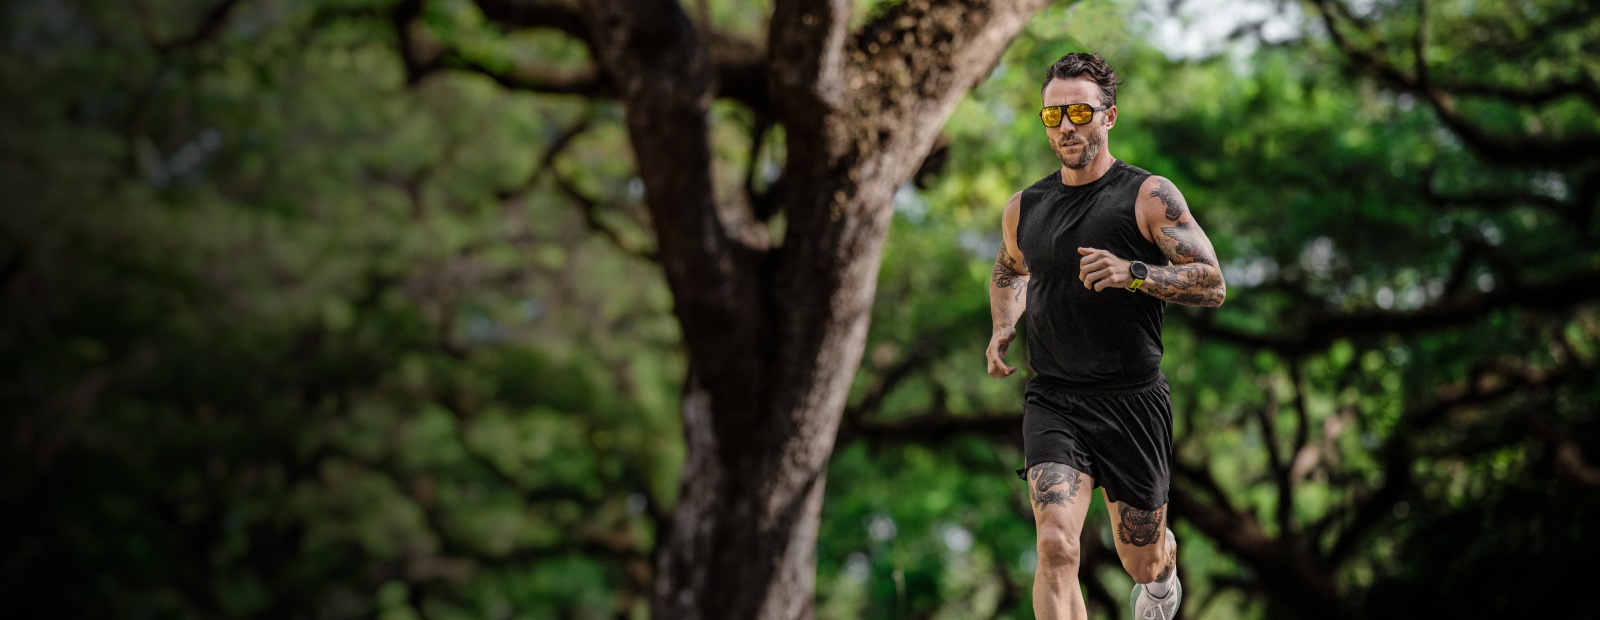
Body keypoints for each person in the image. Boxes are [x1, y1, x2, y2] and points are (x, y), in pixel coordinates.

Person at [985, 52, 1226, 620]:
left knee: (1140, 560)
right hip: (1055, 398)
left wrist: (1134, 273)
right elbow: (1009, 268)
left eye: (1078, 111)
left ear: (1108, 116)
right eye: (1052, 115)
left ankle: (1162, 581)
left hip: (1132, 402)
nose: (1065, 125)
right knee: (1055, 544)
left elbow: (1213, 284)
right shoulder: (1026, 207)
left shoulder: (1148, 196)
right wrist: (1003, 324)